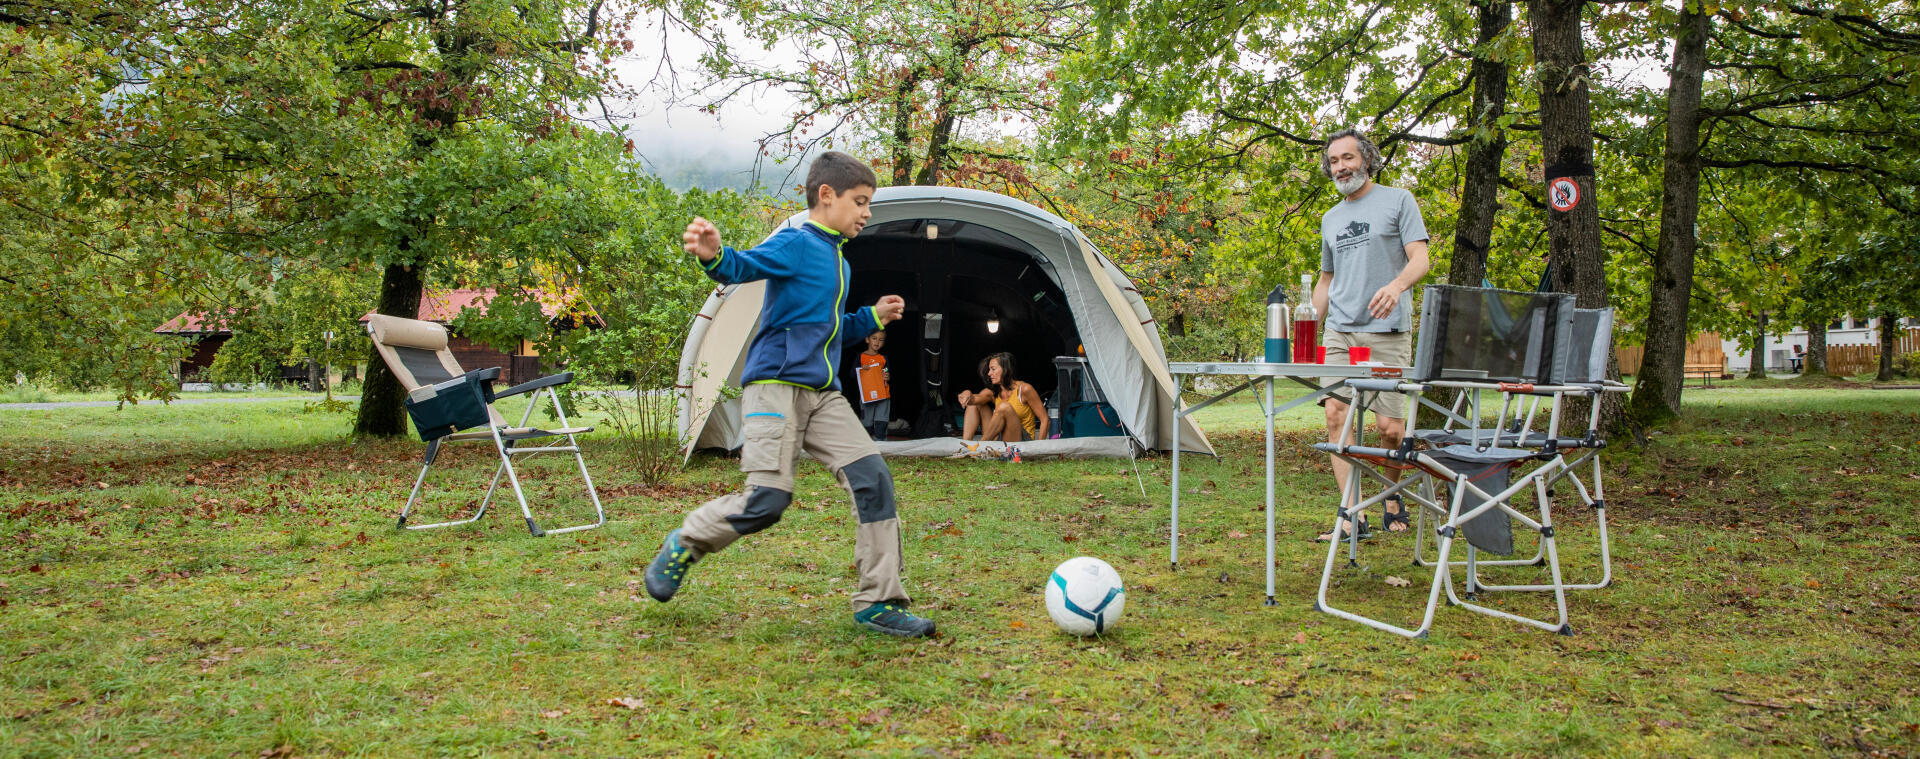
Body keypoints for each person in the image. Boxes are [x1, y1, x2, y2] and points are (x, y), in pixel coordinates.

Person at [646, 151, 935, 638]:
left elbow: (827, 328)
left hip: (822, 394)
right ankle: (687, 540)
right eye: (860, 202)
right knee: (766, 503)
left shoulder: (838, 262)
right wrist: (715, 254)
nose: (867, 213)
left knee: (873, 480)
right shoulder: (797, 242)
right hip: (776, 389)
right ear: (827, 196)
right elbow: (742, 267)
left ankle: (879, 602)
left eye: (870, 203)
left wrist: (872, 317)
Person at [1311, 129, 1431, 542]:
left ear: (1366, 158)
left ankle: (1392, 496)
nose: (1340, 167)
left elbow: (1421, 258)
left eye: (1348, 158)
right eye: (1334, 161)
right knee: (1336, 417)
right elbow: (1327, 279)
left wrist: (1396, 287)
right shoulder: (1330, 218)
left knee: (1389, 430)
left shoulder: (1399, 200)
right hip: (1341, 330)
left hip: (1387, 330)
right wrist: (1309, 322)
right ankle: (1351, 514)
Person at [957, 352, 1050, 443]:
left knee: (1004, 407)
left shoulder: (1024, 389)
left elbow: (1045, 420)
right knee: (973, 405)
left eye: (993, 369)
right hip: (1001, 438)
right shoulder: (994, 392)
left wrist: (1037, 449)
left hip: (1022, 442)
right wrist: (967, 393)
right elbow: (973, 399)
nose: (989, 373)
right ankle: (964, 445)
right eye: (989, 370)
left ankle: (980, 446)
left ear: (1005, 369)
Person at [855, 331, 891, 441]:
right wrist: (862, 370)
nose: (877, 342)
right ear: (867, 340)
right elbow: (852, 374)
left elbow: (887, 373)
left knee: (882, 421)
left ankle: (881, 444)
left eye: (881, 340)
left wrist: (887, 377)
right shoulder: (861, 357)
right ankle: (866, 445)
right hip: (867, 396)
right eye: (874, 338)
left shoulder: (883, 358)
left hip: (883, 394)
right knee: (867, 422)